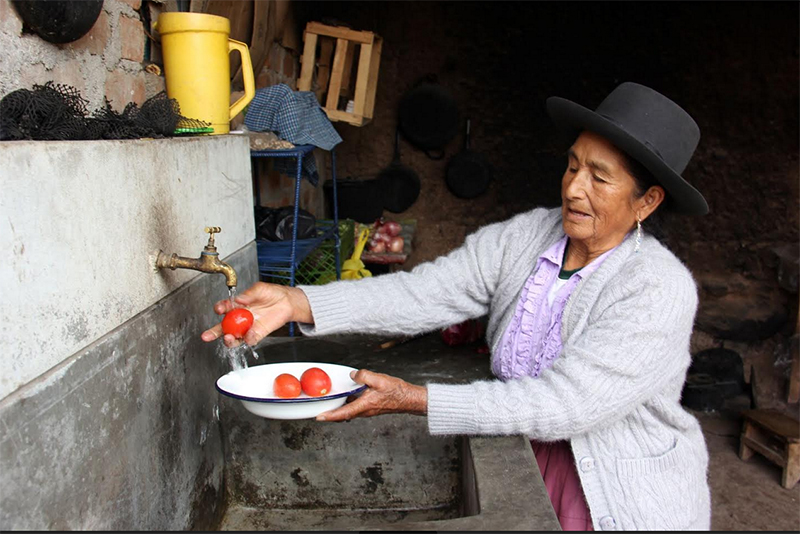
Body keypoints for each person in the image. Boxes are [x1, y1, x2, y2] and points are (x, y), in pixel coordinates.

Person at [202, 82, 711, 531]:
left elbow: (565, 405)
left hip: (615, 488)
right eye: (572, 165)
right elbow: (424, 292)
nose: (574, 188)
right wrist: (297, 301)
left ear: (647, 202)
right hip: (523, 455)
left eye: (599, 178)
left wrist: (419, 398)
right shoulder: (527, 236)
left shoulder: (657, 289)